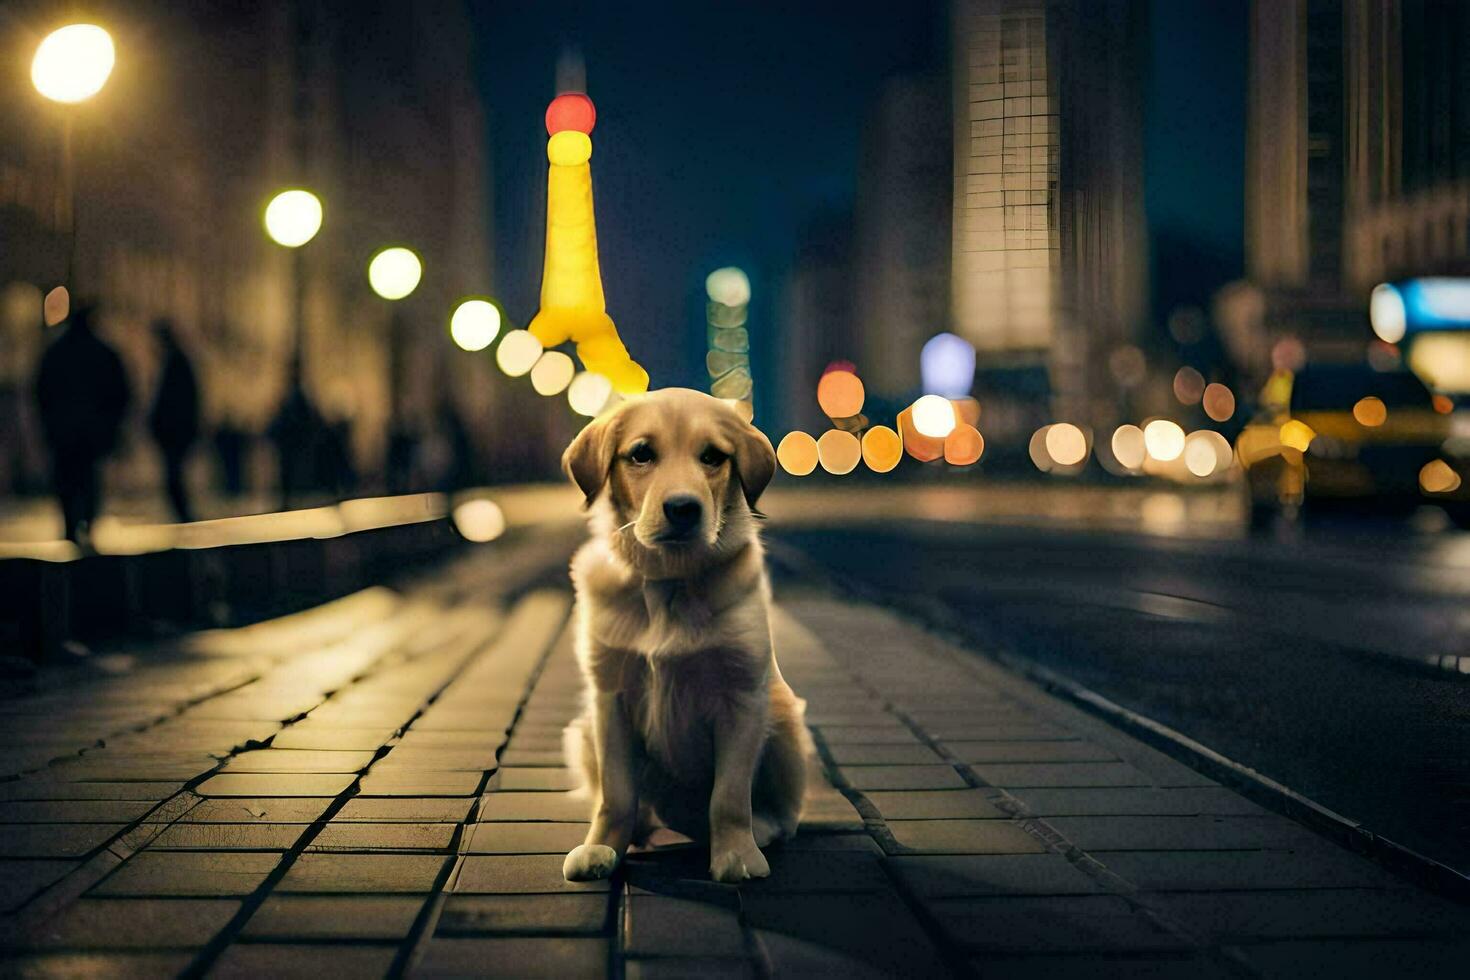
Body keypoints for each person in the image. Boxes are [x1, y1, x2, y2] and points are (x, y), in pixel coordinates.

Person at [33, 303, 132, 545]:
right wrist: (112, 424)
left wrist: (49, 423)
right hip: (92, 431)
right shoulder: (103, 353)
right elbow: (121, 392)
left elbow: (42, 391)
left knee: (67, 479)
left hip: (64, 431)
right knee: (89, 478)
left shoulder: (56, 352)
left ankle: (70, 523)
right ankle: (87, 522)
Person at [147, 319, 201, 522]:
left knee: (174, 476)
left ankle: (184, 515)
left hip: (174, 432)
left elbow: (175, 401)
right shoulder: (176, 362)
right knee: (174, 475)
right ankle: (183, 514)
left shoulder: (175, 363)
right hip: (176, 431)